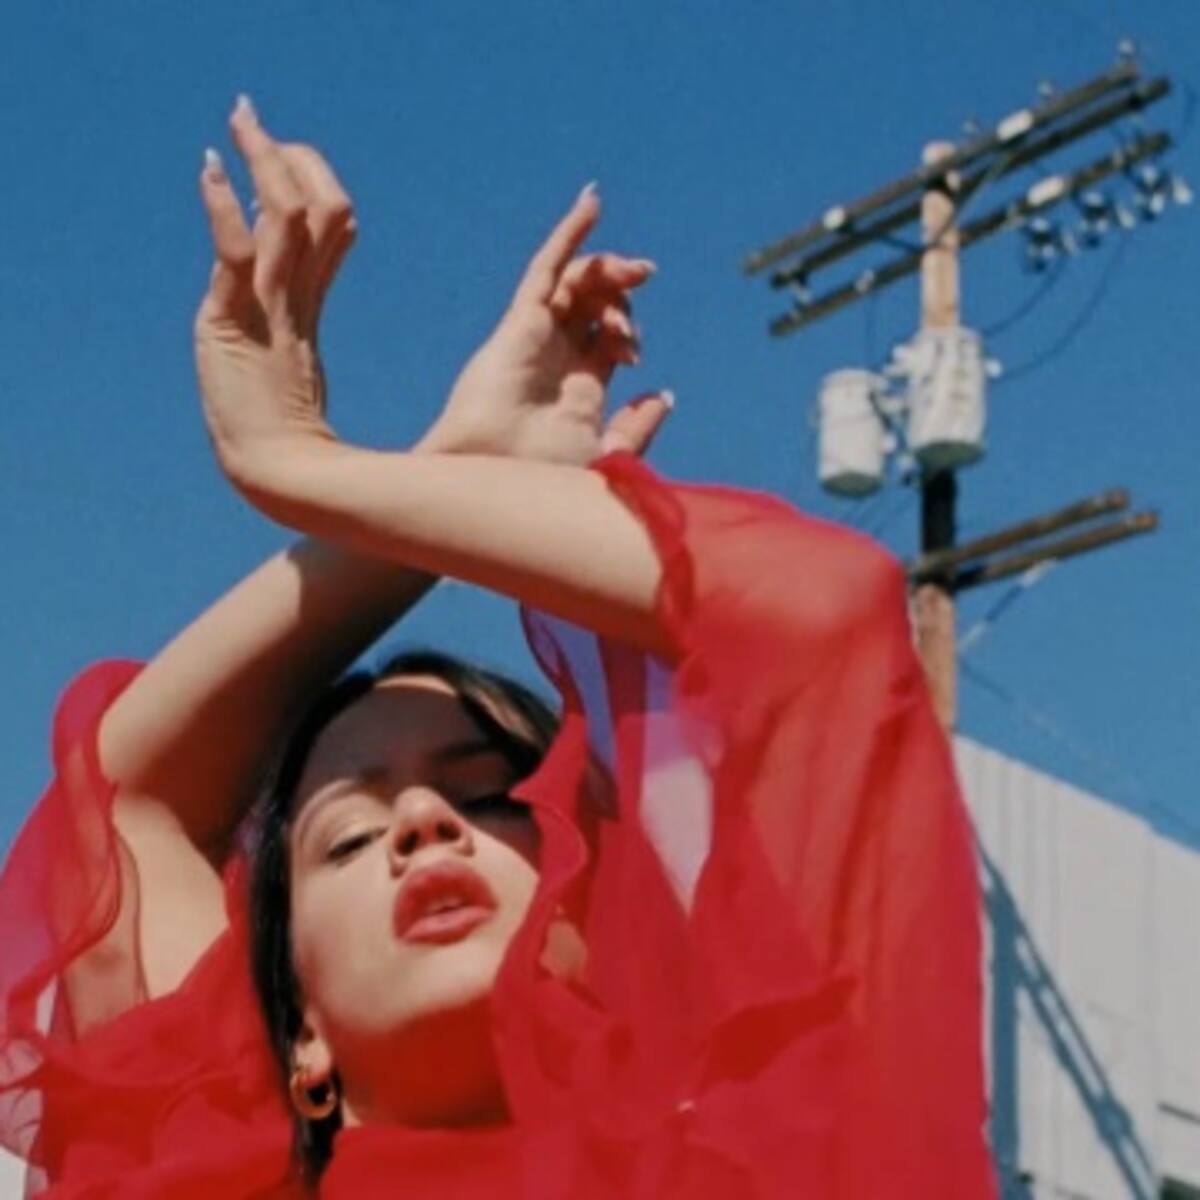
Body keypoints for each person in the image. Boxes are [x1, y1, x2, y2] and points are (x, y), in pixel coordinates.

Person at [0, 95, 997, 1197]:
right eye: (345, 839)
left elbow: (823, 616)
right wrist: (456, 461)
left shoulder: (767, 1159)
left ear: (597, 916)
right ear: (300, 1035)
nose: (424, 822)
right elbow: (125, 798)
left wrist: (304, 469)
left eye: (494, 798)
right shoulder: (204, 1170)